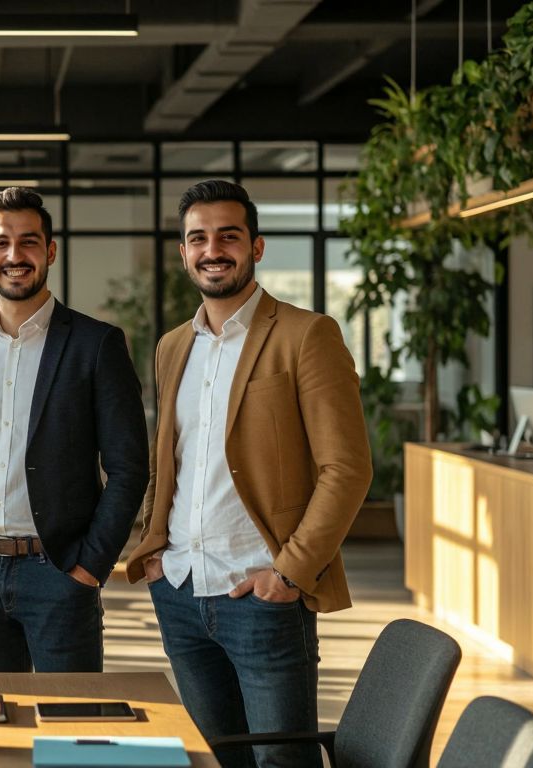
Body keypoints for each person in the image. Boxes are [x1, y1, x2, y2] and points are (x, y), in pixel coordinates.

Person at [124, 180, 372, 768]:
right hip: (181, 591)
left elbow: (347, 468)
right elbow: (170, 461)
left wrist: (289, 573)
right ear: (183, 253)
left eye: (228, 236)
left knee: (281, 762)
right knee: (214, 760)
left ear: (256, 247)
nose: (213, 249)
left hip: (262, 596)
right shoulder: (171, 346)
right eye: (198, 238)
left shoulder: (307, 335)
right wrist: (154, 551)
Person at [0, 186, 149, 673]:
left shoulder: (96, 344)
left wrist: (90, 566)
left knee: (71, 730)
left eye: (28, 242)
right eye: (1, 243)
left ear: (49, 251)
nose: (15, 255)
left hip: (60, 572)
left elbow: (129, 467)